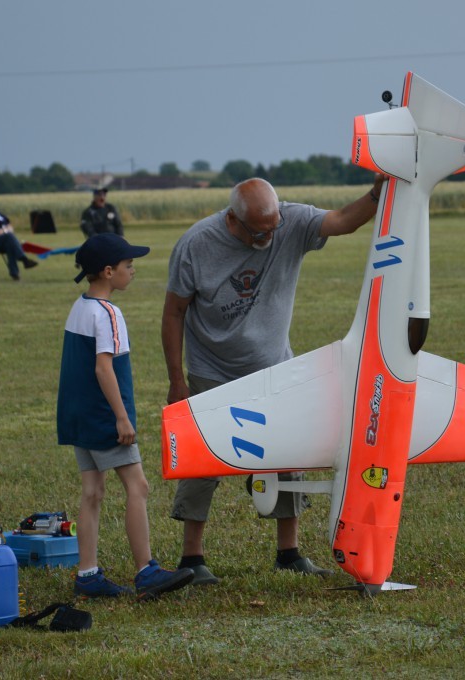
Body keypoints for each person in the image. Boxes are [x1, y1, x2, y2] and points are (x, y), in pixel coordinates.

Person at [162, 175, 386, 585]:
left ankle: (289, 552)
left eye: (273, 228)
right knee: (203, 462)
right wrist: (177, 381)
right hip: (213, 370)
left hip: (275, 368)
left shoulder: (290, 221)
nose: (268, 237)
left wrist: (376, 193)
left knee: (288, 456)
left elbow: (342, 220)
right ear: (233, 220)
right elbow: (174, 312)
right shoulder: (195, 245)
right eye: (258, 232)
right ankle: (191, 558)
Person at [57, 232, 195, 600]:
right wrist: (121, 417)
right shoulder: (108, 314)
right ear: (108, 271)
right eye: (128, 265)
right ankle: (146, 570)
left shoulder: (80, 307)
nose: (132, 270)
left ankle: (87, 574)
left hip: (78, 417)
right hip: (104, 417)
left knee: (92, 491)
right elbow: (104, 368)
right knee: (138, 486)